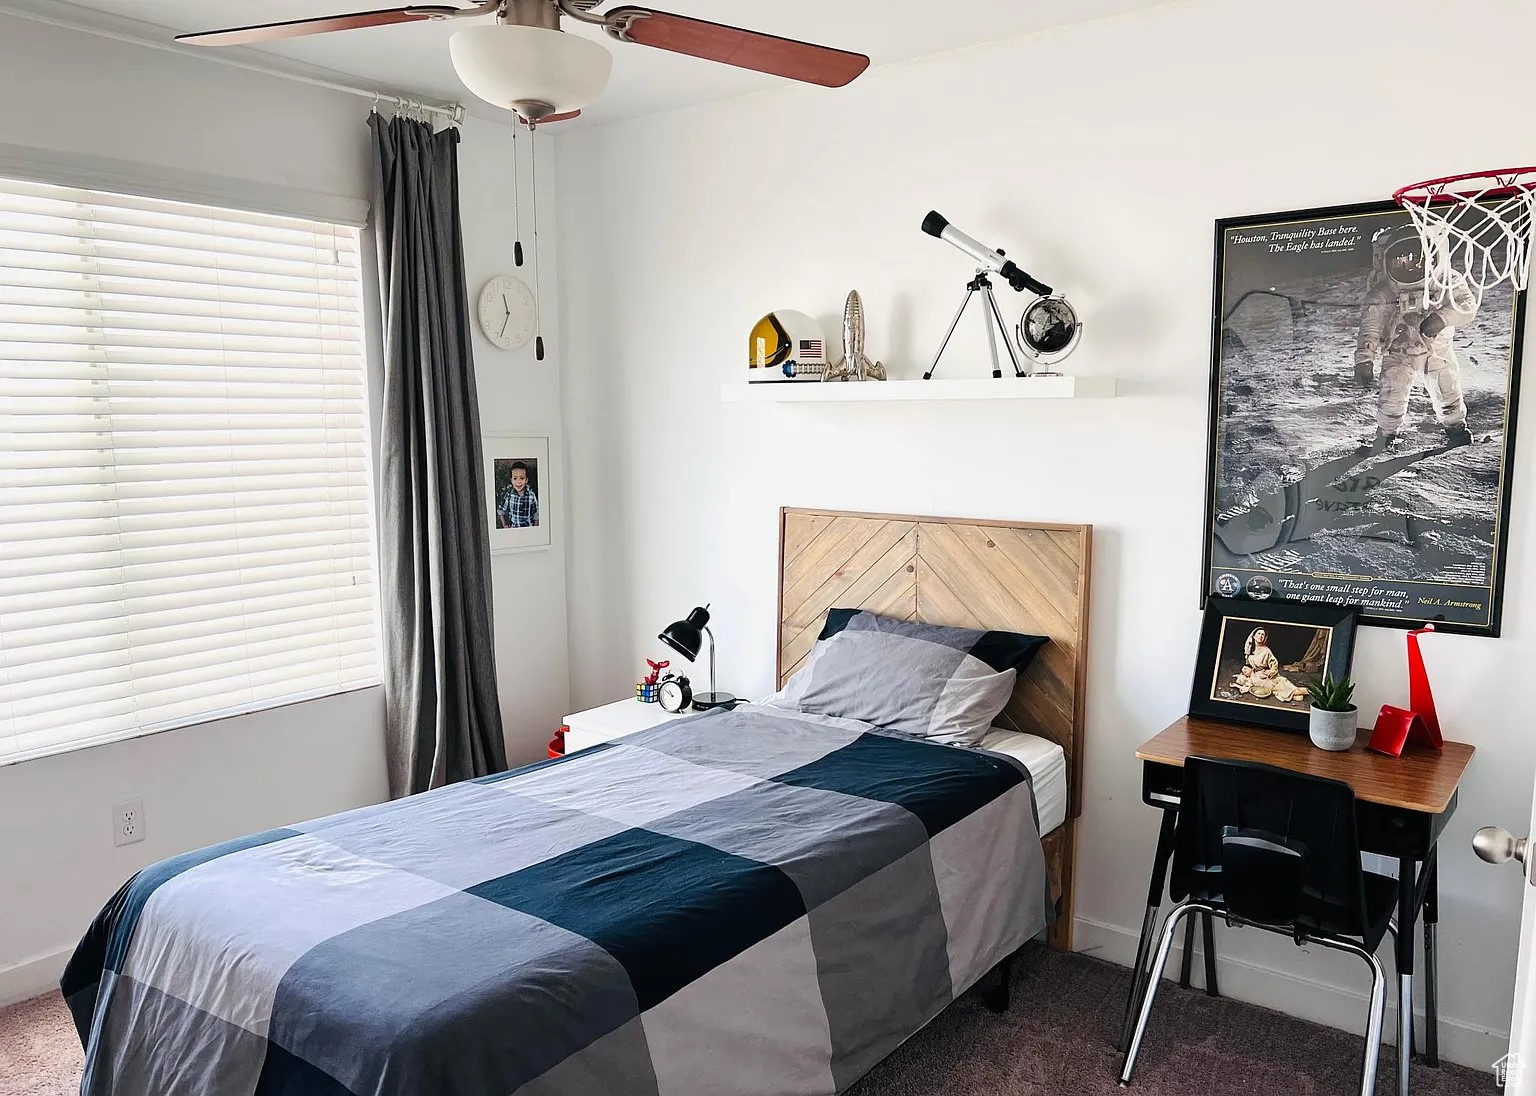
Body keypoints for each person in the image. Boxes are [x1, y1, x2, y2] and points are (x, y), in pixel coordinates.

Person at [1353, 224, 1477, 450]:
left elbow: (1467, 305)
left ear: (1433, 257)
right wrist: (1364, 358)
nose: (1409, 266)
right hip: (1398, 352)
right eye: (1400, 260)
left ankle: (1455, 427)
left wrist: (1442, 318)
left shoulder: (1445, 280)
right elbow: (1370, 325)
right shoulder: (1385, 291)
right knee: (1392, 394)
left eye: (1416, 259)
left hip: (1436, 350)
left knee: (1447, 389)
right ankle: (1387, 434)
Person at [496, 461, 539, 529]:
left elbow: (536, 514)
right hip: (513, 529)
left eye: (522, 478)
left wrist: (535, 528)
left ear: (526, 480)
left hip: (528, 529)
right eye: (515, 478)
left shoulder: (531, 495)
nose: (518, 482)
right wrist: (504, 525)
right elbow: (501, 510)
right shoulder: (509, 495)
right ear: (511, 480)